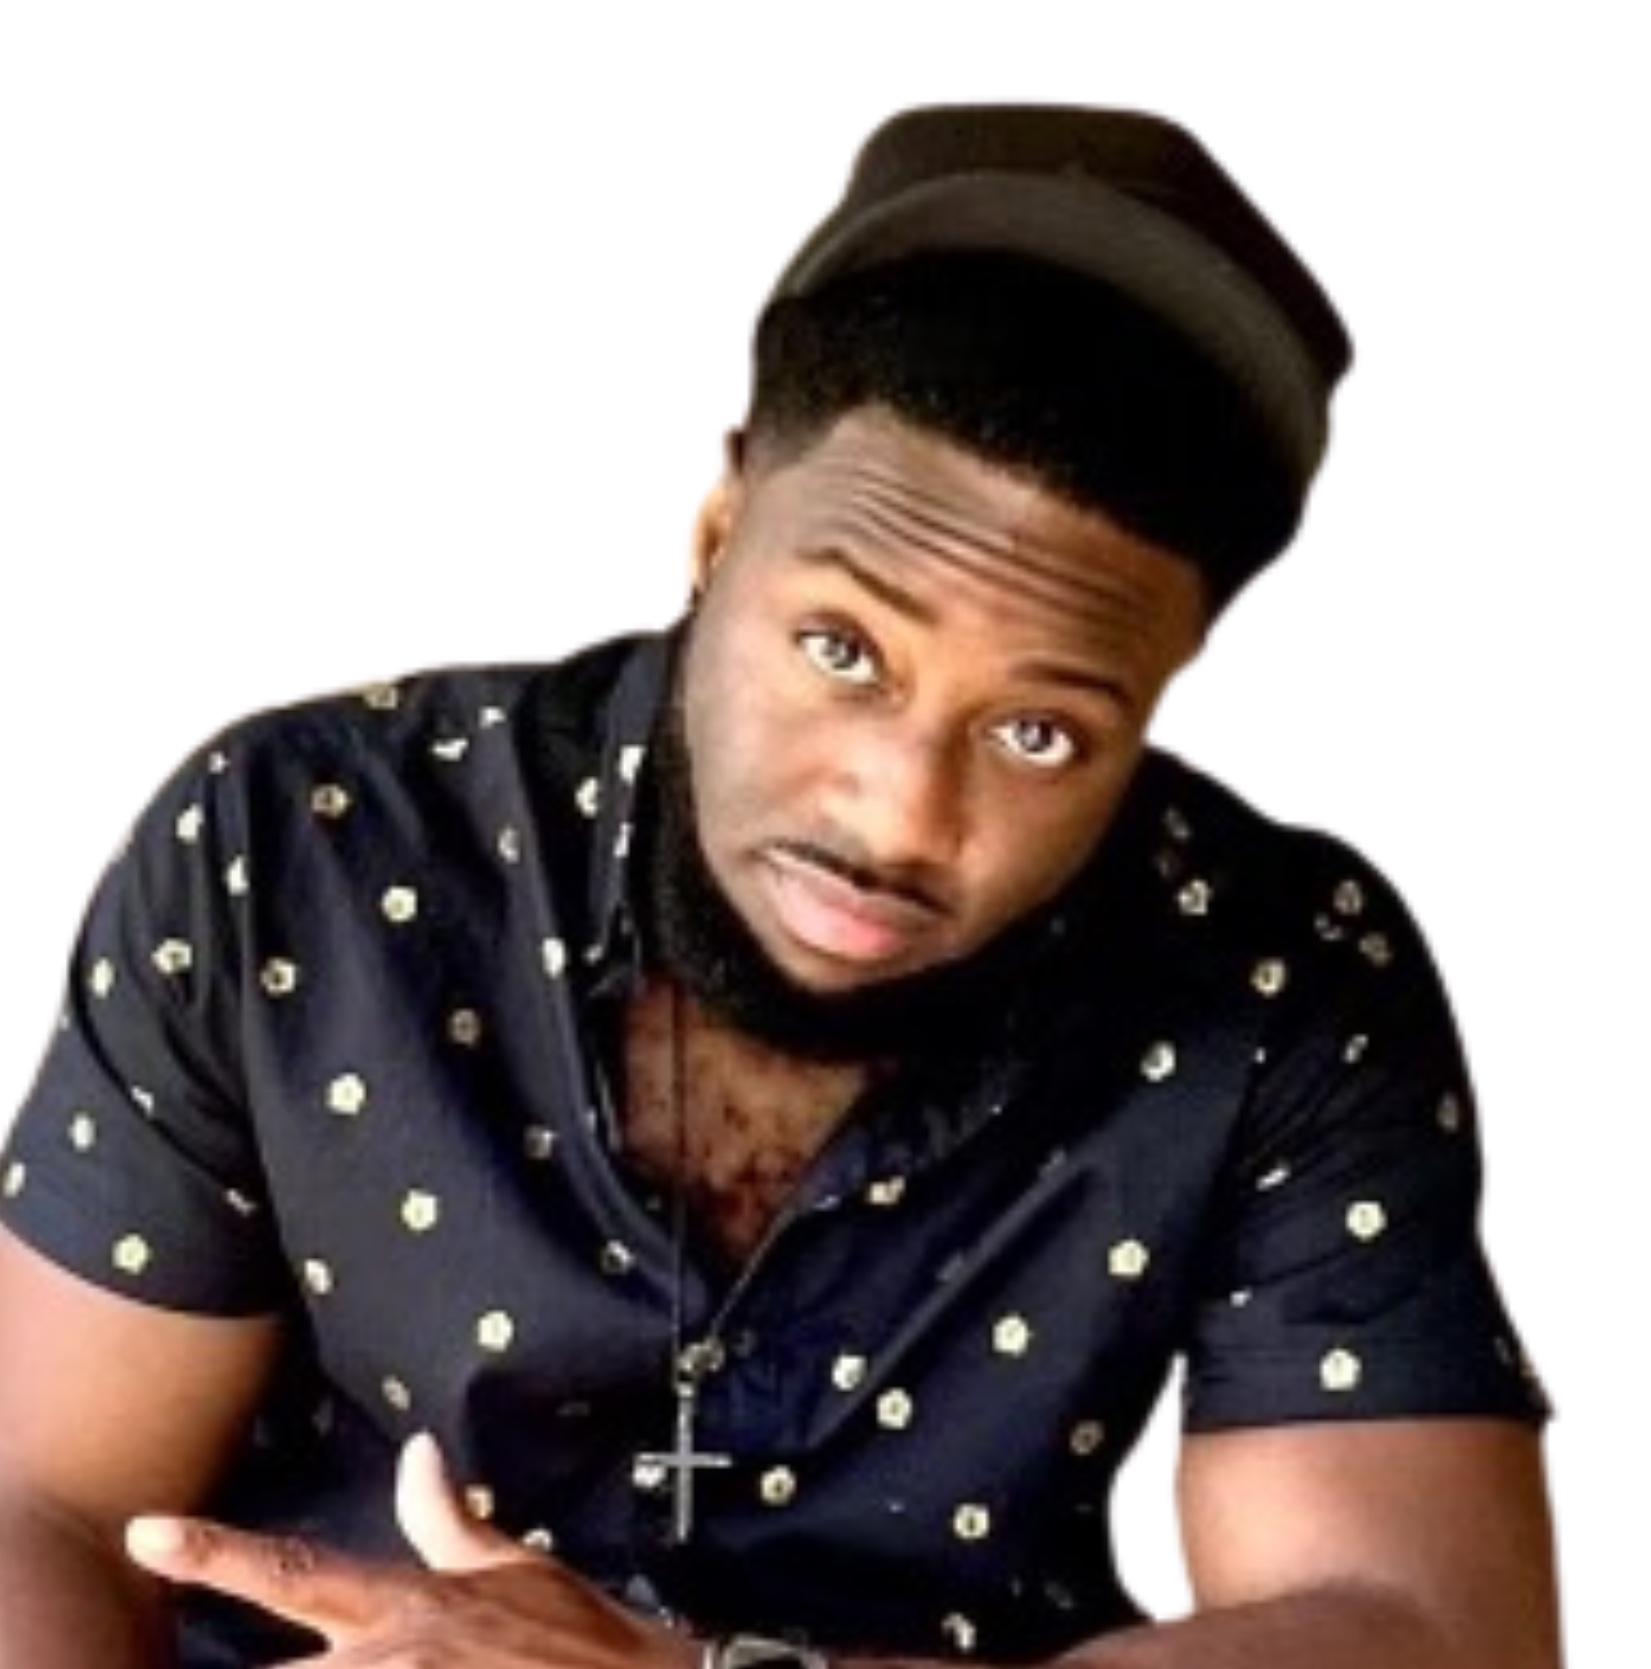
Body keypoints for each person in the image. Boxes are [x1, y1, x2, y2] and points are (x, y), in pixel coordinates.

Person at [0, 104, 1561, 1669]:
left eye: (1036, 731)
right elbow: (44, 1499)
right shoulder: (304, 846)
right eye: (840, 648)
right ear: (720, 527)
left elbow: (1429, 1633)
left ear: (1168, 677)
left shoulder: (1274, 974)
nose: (898, 812)